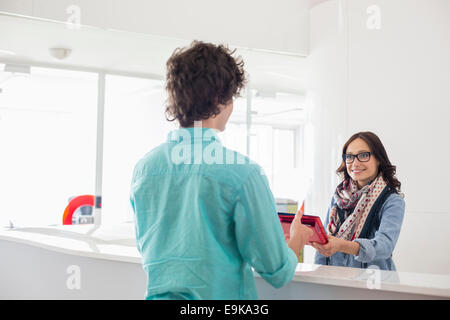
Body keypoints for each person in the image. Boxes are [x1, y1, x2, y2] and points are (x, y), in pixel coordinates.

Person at [129, 41, 313, 300]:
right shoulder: (243, 174)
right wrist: (296, 239)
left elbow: (150, 247)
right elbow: (276, 271)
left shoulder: (144, 169)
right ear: (220, 100)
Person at [312, 132, 405, 270]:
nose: (355, 163)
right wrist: (318, 275)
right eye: (349, 157)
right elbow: (325, 241)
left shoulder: (392, 201)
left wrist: (343, 245)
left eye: (363, 155)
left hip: (374, 282)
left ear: (378, 158)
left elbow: (385, 246)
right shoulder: (340, 196)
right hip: (335, 278)